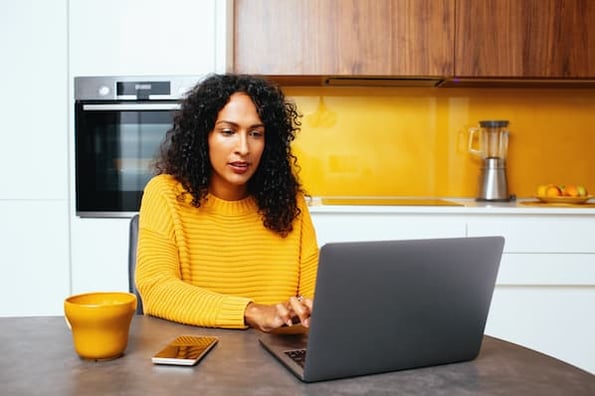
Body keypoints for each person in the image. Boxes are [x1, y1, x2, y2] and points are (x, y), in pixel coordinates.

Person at [135, 74, 319, 332]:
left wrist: (304, 310)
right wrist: (251, 311)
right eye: (228, 132)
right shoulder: (165, 193)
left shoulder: (290, 202)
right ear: (204, 136)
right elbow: (156, 290)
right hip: (194, 353)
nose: (243, 147)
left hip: (275, 356)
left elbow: (315, 298)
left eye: (256, 134)